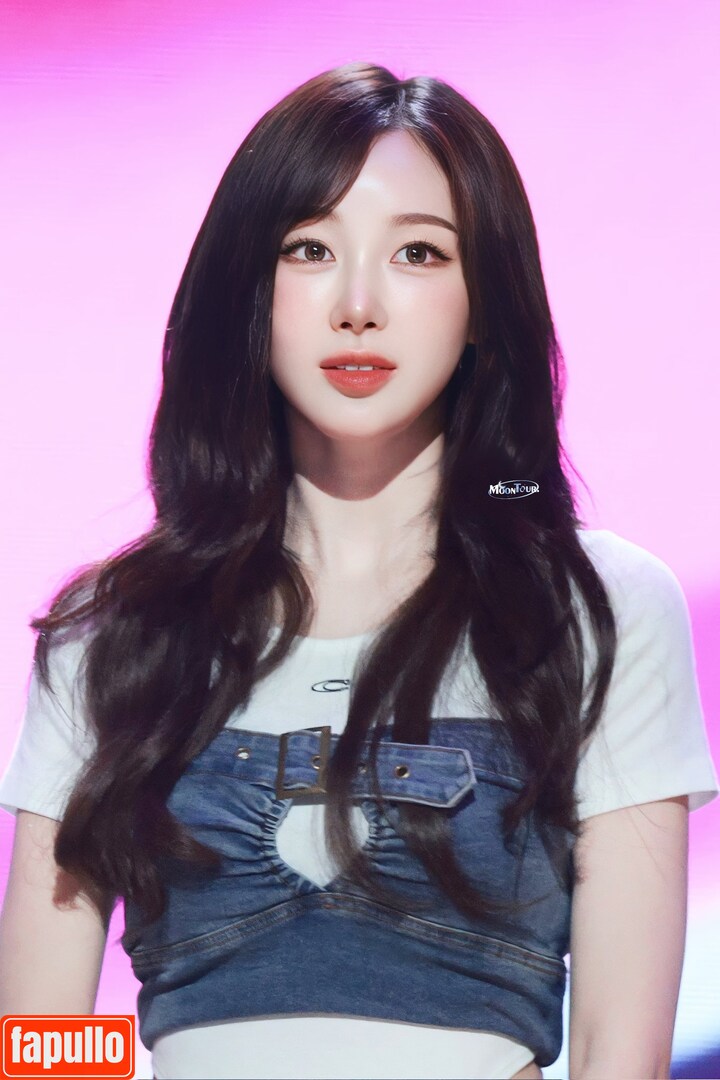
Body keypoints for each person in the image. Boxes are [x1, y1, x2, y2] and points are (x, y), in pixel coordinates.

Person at [0, 62, 717, 1080]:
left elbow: (619, 1050)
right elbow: (39, 1046)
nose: (359, 304)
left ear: (484, 301)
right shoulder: (115, 633)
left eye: (419, 252)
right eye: (310, 249)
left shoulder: (594, 610)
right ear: (249, 292)